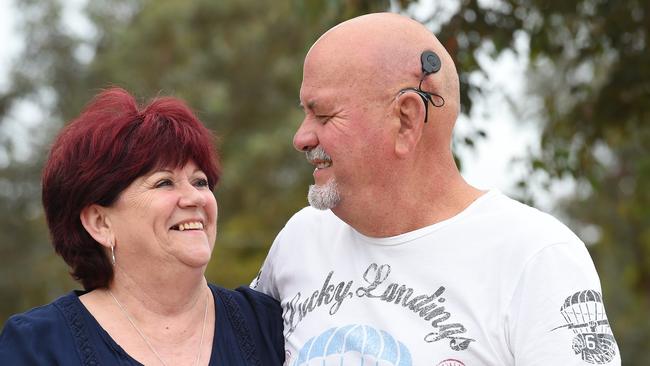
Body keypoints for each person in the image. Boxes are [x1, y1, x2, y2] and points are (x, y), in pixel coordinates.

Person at [251, 12, 620, 366]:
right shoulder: (299, 240)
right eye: (305, 113)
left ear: (406, 119)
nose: (301, 137)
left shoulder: (536, 257)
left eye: (325, 115)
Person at [0, 87, 284, 365]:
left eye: (200, 181)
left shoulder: (267, 325)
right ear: (100, 223)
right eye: (164, 182)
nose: (196, 197)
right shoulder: (37, 346)